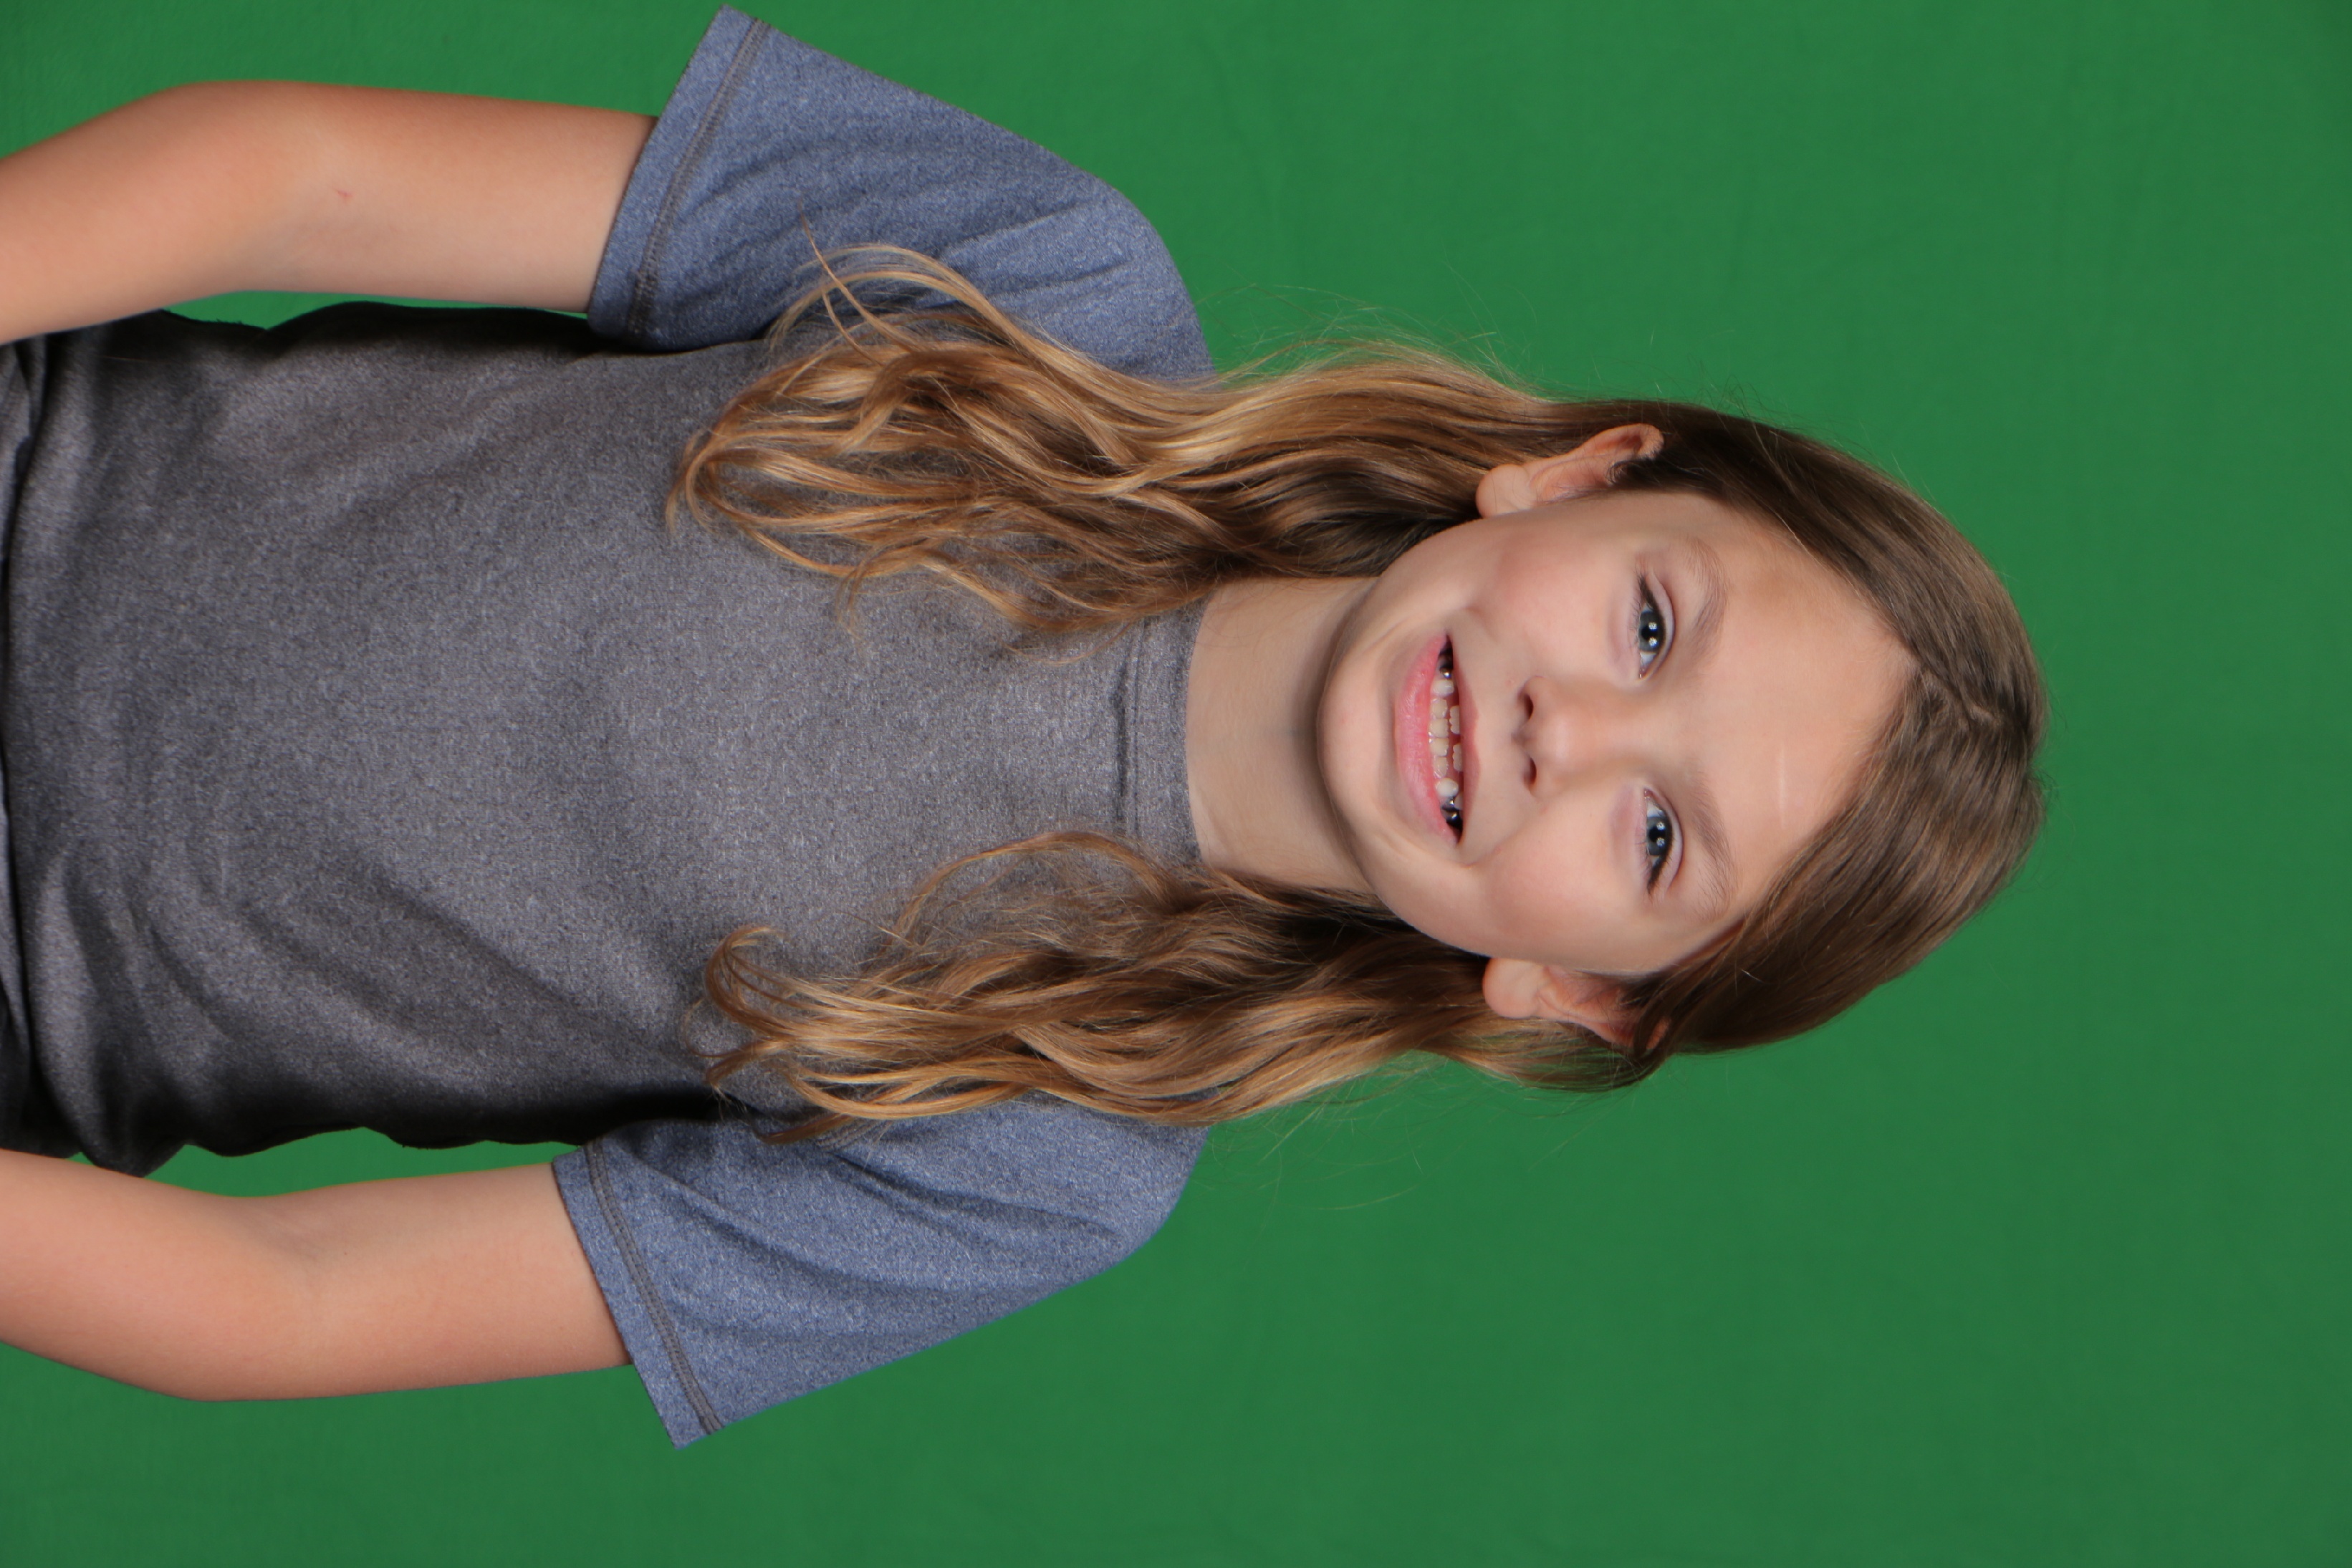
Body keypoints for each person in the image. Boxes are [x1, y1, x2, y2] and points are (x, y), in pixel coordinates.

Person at [0, 9, 2044, 1445]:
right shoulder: (1041, 280)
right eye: (1649, 624)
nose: (1564, 731)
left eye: (1657, 838)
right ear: (1578, 478)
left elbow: (299, 1303)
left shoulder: (1048, 1160)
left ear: (1579, 996)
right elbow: (303, 176)